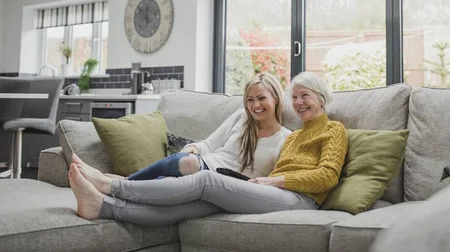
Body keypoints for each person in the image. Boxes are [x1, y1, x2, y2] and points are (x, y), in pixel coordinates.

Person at [69, 71, 349, 226]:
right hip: (275, 191)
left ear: (321, 98)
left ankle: (112, 187)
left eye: (306, 96)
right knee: (194, 205)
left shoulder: (333, 130)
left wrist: (276, 180)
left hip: (301, 198)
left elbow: (327, 177)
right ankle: (103, 207)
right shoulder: (295, 136)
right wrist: (270, 181)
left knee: (204, 179)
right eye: (296, 97)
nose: (299, 102)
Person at [115, 72, 291, 181]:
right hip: (207, 165)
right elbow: (208, 144)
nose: (255, 105)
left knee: (180, 171)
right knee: (172, 174)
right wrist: (192, 148)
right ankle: (123, 184)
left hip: (231, 183)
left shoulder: (286, 138)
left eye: (261, 98)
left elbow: (277, 177)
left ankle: (123, 183)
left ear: (275, 98)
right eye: (250, 100)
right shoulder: (242, 116)